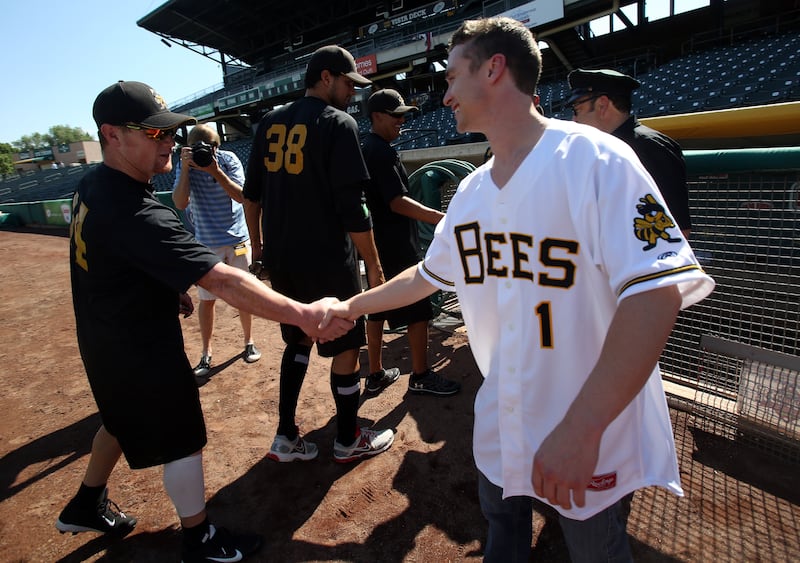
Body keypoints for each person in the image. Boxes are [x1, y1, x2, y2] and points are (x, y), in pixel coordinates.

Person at [320, 17, 714, 562]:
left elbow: (656, 294)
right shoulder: (473, 190)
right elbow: (429, 275)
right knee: (502, 536)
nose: (446, 94)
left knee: (595, 551)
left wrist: (582, 428)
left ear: (495, 68)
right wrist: (351, 305)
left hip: (586, 422)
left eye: (454, 76)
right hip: (503, 412)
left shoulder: (595, 158)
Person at [57, 80, 352, 562]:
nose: (168, 141)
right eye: (153, 134)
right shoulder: (136, 211)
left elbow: (115, 257)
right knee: (184, 440)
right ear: (111, 135)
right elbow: (225, 283)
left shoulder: (93, 183)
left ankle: (86, 502)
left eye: (169, 132)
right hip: (139, 347)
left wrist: (162, 286)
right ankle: (198, 536)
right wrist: (303, 313)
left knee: (117, 419)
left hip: (104, 335)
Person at [243, 46, 394, 464]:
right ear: (326, 77)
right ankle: (348, 439)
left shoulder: (269, 122)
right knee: (346, 349)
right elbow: (353, 209)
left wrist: (259, 249)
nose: (353, 93)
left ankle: (286, 435)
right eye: (348, 83)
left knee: (297, 340)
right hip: (329, 261)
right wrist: (375, 268)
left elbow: (251, 198)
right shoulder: (337, 123)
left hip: (284, 261)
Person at [361, 88, 461, 396]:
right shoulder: (380, 151)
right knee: (419, 309)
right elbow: (397, 202)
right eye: (396, 115)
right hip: (395, 243)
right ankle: (420, 375)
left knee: (376, 305)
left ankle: (376, 373)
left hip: (377, 241)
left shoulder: (367, 147)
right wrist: (440, 217)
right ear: (377, 116)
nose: (402, 120)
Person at [172, 123, 261, 378]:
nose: (205, 152)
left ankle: (249, 341)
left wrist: (215, 170)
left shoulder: (227, 159)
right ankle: (206, 352)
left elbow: (242, 196)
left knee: (243, 294)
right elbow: (180, 202)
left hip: (236, 240)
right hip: (206, 243)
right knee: (206, 300)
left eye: (209, 148)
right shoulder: (184, 164)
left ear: (216, 147)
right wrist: (187, 169)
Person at [566, 68, 692, 238]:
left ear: (602, 105)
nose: (574, 119)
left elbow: (676, 230)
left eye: (577, 109)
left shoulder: (651, 148)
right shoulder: (598, 148)